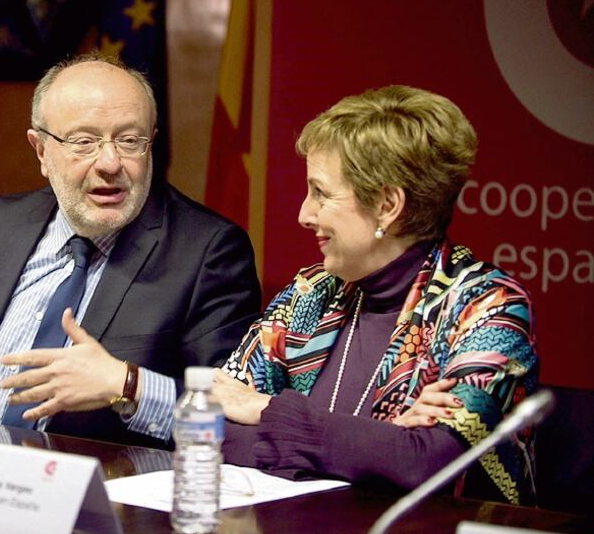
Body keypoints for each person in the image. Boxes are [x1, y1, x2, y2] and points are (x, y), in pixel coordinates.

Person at [0, 54, 261, 448]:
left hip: (102, 498)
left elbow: (228, 417)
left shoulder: (208, 252)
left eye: (129, 141)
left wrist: (127, 385)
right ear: (41, 150)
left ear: (151, 144)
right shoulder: (2, 222)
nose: (110, 163)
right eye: (84, 142)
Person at [213, 86, 538, 505]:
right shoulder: (311, 291)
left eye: (321, 192)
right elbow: (215, 427)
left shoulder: (489, 307)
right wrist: (381, 442)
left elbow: (426, 464)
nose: (304, 214)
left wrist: (266, 411)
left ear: (387, 205)